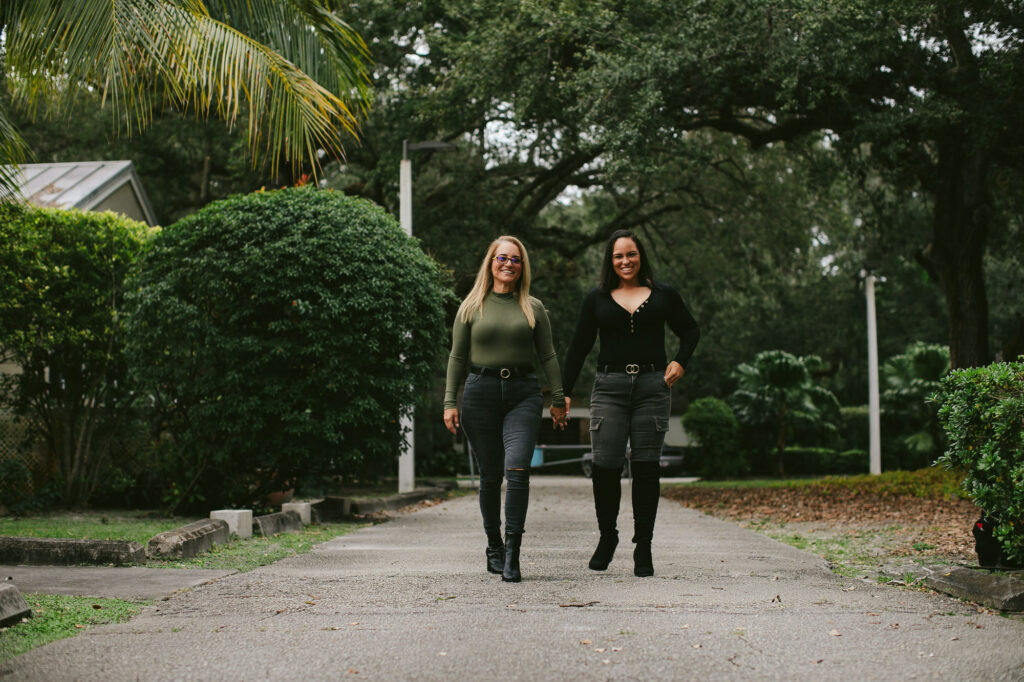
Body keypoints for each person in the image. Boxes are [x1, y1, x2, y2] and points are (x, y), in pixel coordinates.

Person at [562, 229, 700, 577]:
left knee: (646, 467)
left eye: (631, 254)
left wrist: (680, 361)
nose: (626, 261)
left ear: (641, 257)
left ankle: (644, 547)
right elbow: (578, 347)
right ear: (610, 261)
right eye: (619, 256)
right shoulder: (597, 298)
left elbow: (690, 330)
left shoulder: (663, 294)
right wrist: (562, 391)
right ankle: (608, 537)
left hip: (653, 387)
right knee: (605, 466)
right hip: (609, 387)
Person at [443, 236, 567, 582]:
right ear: (491, 262)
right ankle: (494, 546)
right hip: (480, 392)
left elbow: (548, 356)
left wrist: (558, 399)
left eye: (516, 260)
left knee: (518, 469)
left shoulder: (533, 307)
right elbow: (456, 356)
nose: (509, 264)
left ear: (522, 266)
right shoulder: (471, 306)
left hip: (523, 394)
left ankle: (513, 553)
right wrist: (450, 401)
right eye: (502, 258)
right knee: (490, 475)